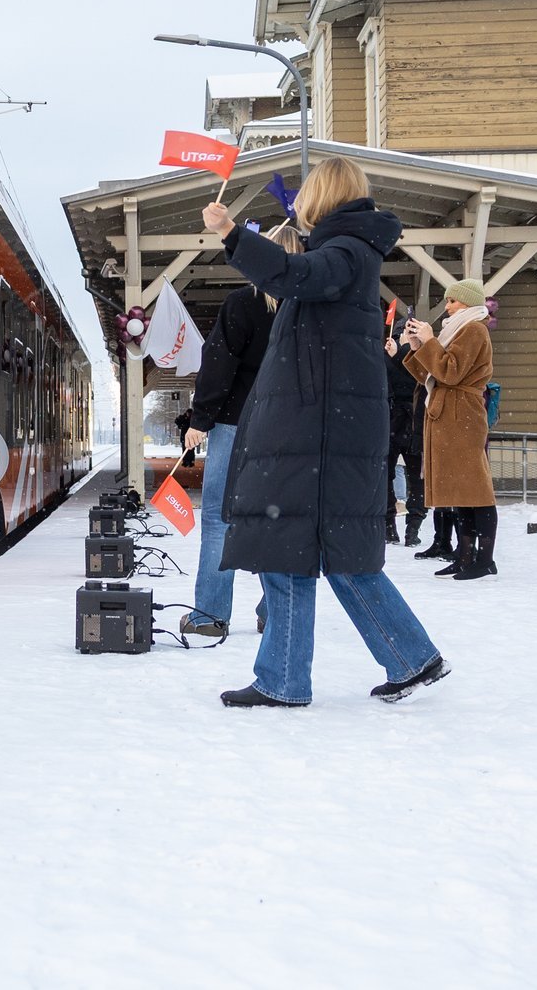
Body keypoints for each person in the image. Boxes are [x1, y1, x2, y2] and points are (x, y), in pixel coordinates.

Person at [199, 157, 448, 707]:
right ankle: (407, 656)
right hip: (322, 434)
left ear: (324, 195)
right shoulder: (353, 252)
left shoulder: (345, 252)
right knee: (332, 554)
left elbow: (295, 275)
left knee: (290, 550)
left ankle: (287, 679)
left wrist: (233, 234)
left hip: (317, 437)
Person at [179, 222, 302, 639]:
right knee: (278, 520)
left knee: (219, 519)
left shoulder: (242, 304)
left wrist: (200, 419)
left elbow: (219, 365)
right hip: (291, 430)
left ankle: (210, 616)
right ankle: (275, 611)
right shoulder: (310, 309)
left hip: (237, 423)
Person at [401, 280, 497, 581]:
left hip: (463, 412)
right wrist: (417, 347)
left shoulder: (474, 330)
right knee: (461, 489)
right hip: (452, 412)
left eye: (452, 301)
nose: (447, 306)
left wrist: (430, 341)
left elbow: (450, 372)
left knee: (475, 488)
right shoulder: (458, 329)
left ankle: (484, 559)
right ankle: (465, 555)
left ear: (467, 302)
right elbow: (431, 374)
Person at [381, 321, 426, 546]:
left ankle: (399, 526)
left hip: (397, 422)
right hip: (405, 421)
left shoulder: (409, 356)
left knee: (392, 476)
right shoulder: (395, 357)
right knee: (414, 478)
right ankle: (406, 527)